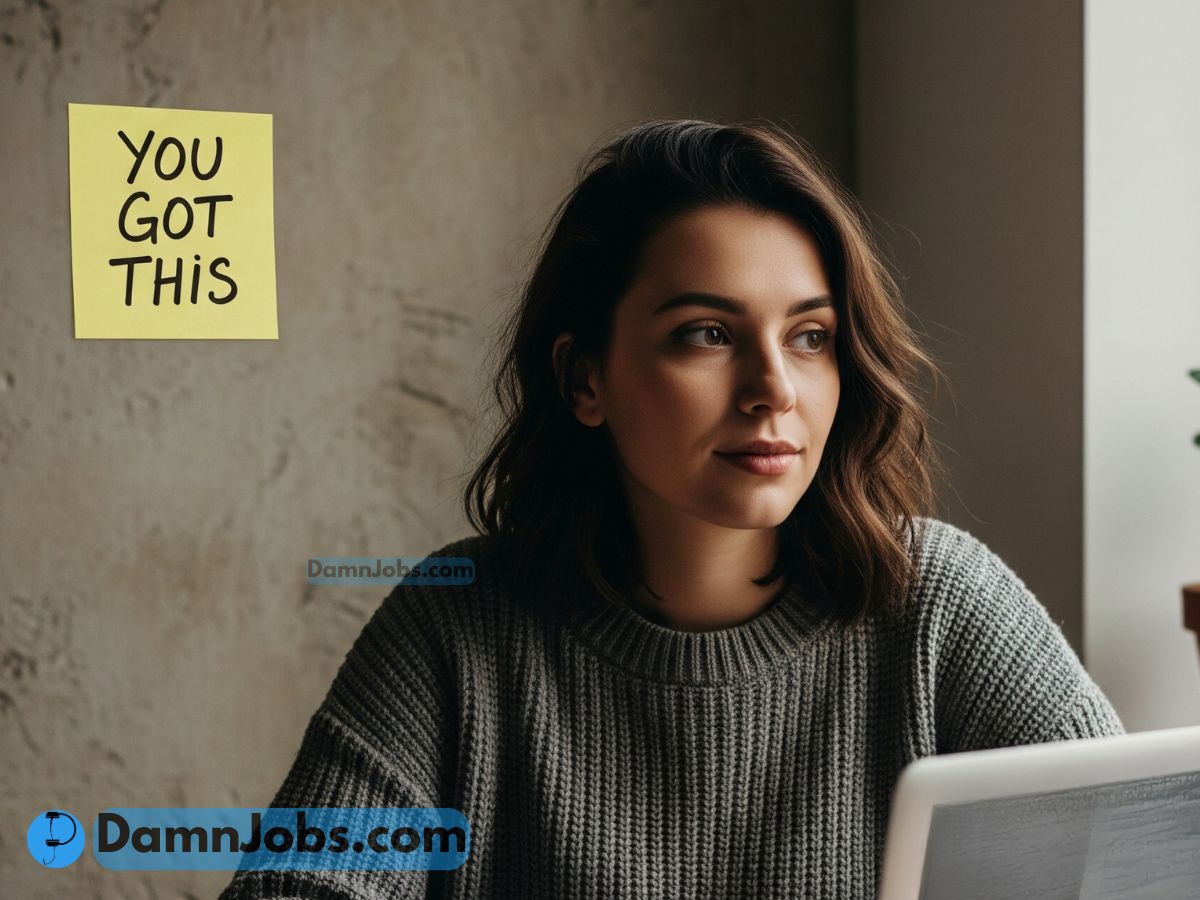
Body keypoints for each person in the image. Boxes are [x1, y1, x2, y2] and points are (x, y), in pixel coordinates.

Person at [220, 118, 1123, 899]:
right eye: (708, 334)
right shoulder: (459, 625)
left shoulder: (939, 604)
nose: (775, 388)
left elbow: (1138, 860)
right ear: (585, 379)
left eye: (810, 337)